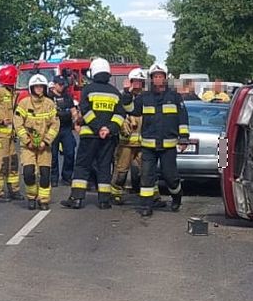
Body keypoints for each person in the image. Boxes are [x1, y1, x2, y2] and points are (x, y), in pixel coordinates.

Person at [62, 58, 123, 210]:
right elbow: (120, 115)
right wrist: (108, 129)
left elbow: (86, 111)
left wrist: (98, 128)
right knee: (104, 166)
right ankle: (104, 201)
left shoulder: (88, 90)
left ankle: (76, 198)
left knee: (82, 166)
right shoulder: (115, 92)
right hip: (108, 137)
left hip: (89, 135)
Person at [137, 63, 190, 218]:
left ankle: (177, 196)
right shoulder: (144, 97)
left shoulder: (174, 97)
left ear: (165, 79)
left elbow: (183, 118)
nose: (158, 79)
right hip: (148, 145)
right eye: (155, 77)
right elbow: (131, 109)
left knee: (170, 177)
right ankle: (146, 205)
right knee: (146, 176)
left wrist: (184, 138)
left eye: (161, 76)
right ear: (151, 79)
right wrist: (127, 96)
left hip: (168, 145)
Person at [14, 74, 59, 211]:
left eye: (41, 87)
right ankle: (32, 197)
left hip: (44, 147)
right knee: (28, 173)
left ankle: (43, 200)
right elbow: (18, 124)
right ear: (31, 88)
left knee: (45, 174)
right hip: (28, 147)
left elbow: (55, 125)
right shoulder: (24, 103)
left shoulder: (49, 104)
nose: (39, 89)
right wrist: (27, 141)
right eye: (36, 86)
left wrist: (46, 141)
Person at [0, 65, 22, 202]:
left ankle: (14, 190)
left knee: (13, 162)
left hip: (10, 135)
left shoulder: (12, 93)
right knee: (0, 164)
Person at [112, 68, 146, 205]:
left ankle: (153, 196)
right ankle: (116, 194)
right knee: (121, 171)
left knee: (148, 171)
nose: (138, 84)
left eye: (141, 82)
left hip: (144, 142)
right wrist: (123, 125)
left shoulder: (147, 97)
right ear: (131, 82)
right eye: (135, 81)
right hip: (126, 142)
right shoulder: (122, 97)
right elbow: (117, 115)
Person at [49, 76, 77, 185]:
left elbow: (73, 110)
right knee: (53, 155)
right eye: (60, 84)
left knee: (70, 152)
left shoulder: (67, 97)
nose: (62, 86)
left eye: (63, 84)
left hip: (66, 128)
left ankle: (67, 177)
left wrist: (76, 120)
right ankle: (53, 178)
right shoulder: (49, 97)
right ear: (54, 84)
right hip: (53, 128)